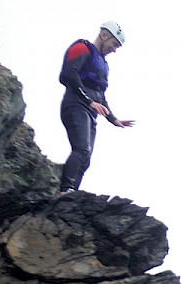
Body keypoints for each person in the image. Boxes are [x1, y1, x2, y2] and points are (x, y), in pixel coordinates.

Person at [58, 20, 135, 194]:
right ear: (104, 35)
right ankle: (66, 189)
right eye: (114, 44)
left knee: (86, 157)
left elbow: (100, 95)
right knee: (82, 149)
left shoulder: (103, 64)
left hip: (90, 111)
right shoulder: (83, 47)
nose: (114, 50)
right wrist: (88, 101)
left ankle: (72, 193)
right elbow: (69, 74)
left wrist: (113, 119)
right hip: (75, 105)